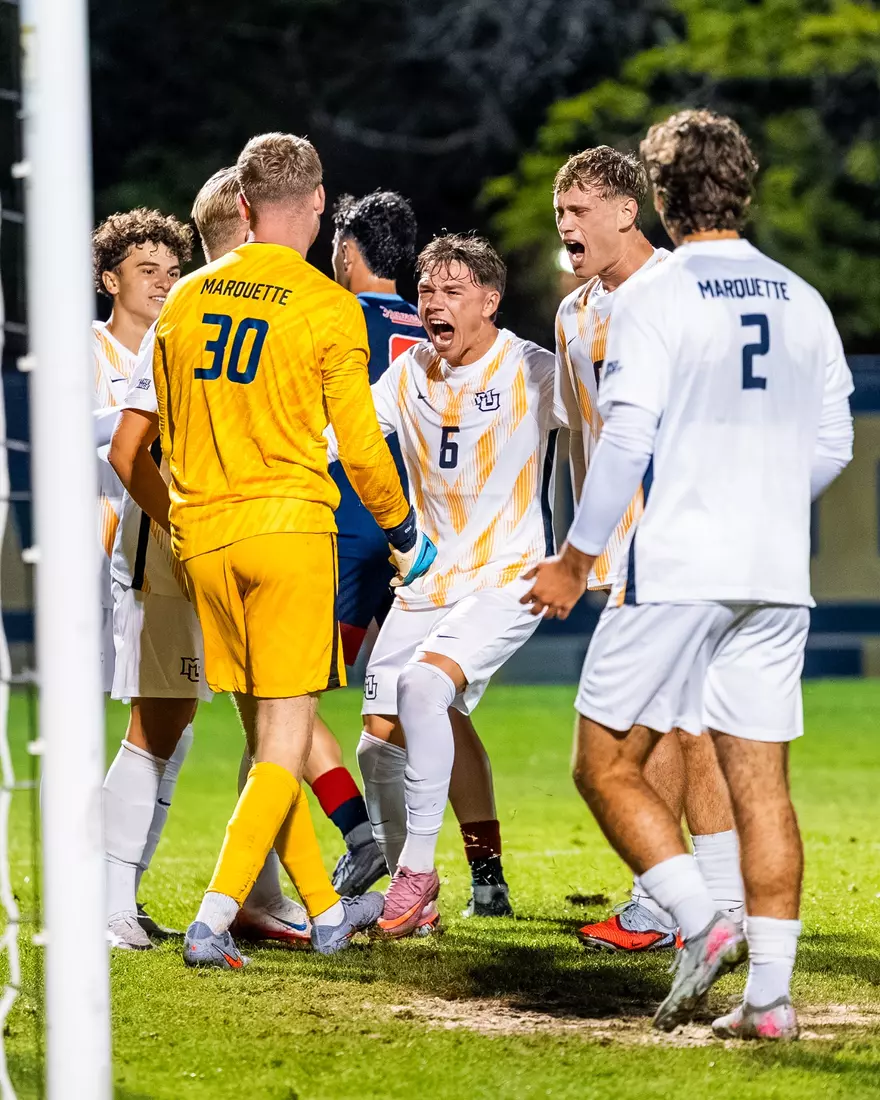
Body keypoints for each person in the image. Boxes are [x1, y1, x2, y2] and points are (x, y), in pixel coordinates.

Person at [524, 109, 853, 1039]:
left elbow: (626, 436)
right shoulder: (803, 296)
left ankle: (701, 924)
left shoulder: (656, 299)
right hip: (777, 570)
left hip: (681, 562)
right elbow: (833, 440)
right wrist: (766, 495)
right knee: (761, 779)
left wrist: (575, 557)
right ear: (745, 185)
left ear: (659, 198)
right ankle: (770, 1003)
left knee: (605, 763)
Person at [151, 131, 434, 969]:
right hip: (288, 531)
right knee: (284, 741)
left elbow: (164, 438)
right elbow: (359, 445)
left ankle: (322, 910)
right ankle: (213, 915)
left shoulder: (182, 300)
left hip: (201, 537)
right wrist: (404, 532)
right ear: (316, 205)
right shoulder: (325, 306)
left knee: (273, 727)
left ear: (240, 207)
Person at [108, 168, 313, 950]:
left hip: (209, 546)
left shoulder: (202, 306)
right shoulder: (196, 307)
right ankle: (108, 901)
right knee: (164, 723)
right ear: (254, 215)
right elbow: (132, 451)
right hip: (213, 547)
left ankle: (255, 894)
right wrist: (182, 524)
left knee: (262, 721)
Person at [343, 234, 564, 938]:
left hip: (508, 574)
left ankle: (415, 873)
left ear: (490, 302)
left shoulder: (533, 369)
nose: (433, 303)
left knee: (425, 691)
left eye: (451, 291)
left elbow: (612, 422)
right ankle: (449, 886)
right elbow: (341, 439)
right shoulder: (409, 371)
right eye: (427, 290)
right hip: (430, 580)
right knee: (378, 744)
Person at [551, 146, 744, 952]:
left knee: (632, 729)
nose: (566, 225)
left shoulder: (687, 292)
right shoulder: (571, 315)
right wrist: (583, 546)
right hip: (624, 546)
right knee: (688, 721)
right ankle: (718, 903)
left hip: (683, 540)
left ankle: (663, 902)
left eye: (579, 210)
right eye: (559, 213)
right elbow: (580, 438)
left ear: (628, 211)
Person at [328, 192, 514, 915]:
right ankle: (474, 875)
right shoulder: (426, 342)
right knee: (433, 711)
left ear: (348, 251)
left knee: (293, 705)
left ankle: (368, 863)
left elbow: (336, 429)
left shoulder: (335, 315)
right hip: (423, 557)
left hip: (361, 536)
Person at [92, 209, 204, 950]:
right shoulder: (87, 349)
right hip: (113, 557)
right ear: (110, 280)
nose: (164, 284)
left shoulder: (176, 345)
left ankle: (121, 895)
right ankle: (101, 903)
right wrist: (138, 415)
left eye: (172, 272)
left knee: (175, 728)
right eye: (146, 272)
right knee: (149, 726)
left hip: (160, 553)